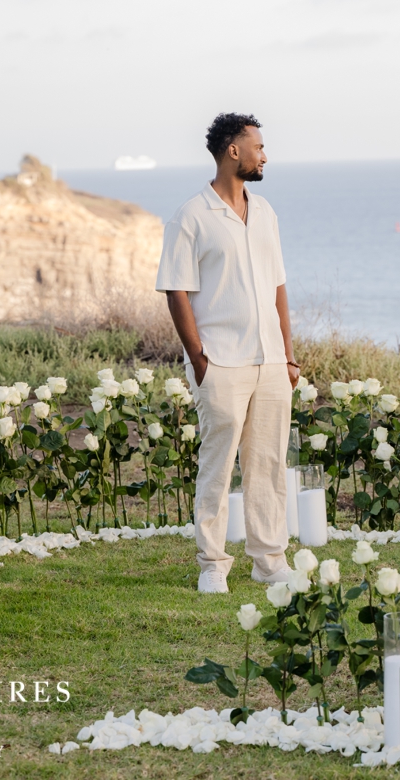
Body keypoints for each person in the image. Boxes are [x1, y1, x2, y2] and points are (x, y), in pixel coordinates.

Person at [157, 113, 300, 593]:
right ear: (232, 151)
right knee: (217, 466)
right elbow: (176, 291)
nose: (265, 154)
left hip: (272, 363)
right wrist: (198, 359)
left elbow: (278, 286)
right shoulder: (191, 216)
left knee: (268, 465)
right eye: (258, 145)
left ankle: (269, 560)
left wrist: (289, 355)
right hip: (220, 362)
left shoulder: (266, 213)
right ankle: (212, 564)